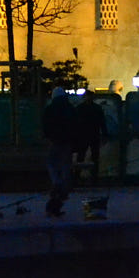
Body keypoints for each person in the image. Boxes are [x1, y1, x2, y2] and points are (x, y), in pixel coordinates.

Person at [42, 87, 77, 216]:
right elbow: (75, 125)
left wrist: (48, 137)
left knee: (52, 163)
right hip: (67, 142)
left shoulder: (50, 109)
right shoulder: (70, 109)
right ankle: (63, 188)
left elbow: (45, 125)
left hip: (54, 141)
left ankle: (56, 182)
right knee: (65, 165)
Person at [73, 93, 105, 181]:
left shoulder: (80, 108)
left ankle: (77, 176)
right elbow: (102, 122)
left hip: (83, 135)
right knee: (94, 156)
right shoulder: (97, 108)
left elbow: (75, 122)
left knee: (81, 156)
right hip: (94, 134)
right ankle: (94, 176)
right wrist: (105, 133)